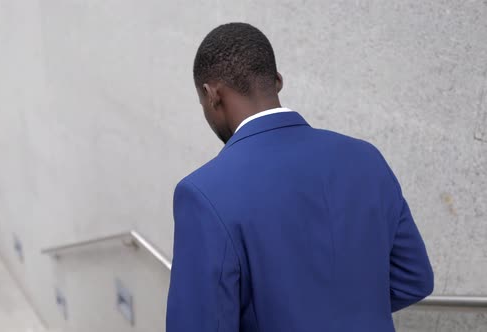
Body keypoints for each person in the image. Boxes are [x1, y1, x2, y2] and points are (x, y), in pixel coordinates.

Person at [166, 22, 433, 332]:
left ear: (212, 95)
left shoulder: (203, 193)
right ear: (277, 81)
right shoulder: (366, 158)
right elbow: (414, 279)